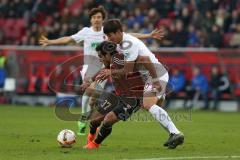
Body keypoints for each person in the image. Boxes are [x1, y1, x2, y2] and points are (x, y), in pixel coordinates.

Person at [39, 6, 165, 135]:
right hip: (89, 67)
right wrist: (50, 41)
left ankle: (94, 117)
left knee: (94, 98)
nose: (96, 19)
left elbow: (128, 35)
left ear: (102, 19)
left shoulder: (106, 34)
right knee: (90, 89)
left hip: (104, 67)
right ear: (91, 20)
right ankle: (83, 117)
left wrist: (148, 35)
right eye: (94, 17)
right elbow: (68, 39)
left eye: (99, 17)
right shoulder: (86, 32)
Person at [89, 19, 184, 149]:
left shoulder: (129, 44)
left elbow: (132, 67)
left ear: (118, 32)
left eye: (110, 35)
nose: (109, 39)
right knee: (152, 108)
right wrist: (148, 36)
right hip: (150, 75)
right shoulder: (122, 40)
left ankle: (176, 133)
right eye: (107, 36)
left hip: (155, 74)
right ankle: (173, 134)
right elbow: (132, 34)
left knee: (148, 104)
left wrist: (155, 80)